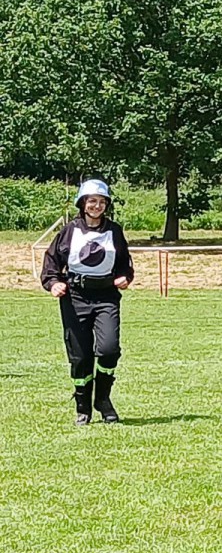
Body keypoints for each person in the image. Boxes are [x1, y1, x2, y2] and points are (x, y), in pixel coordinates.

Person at [41, 179, 135, 425]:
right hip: (75, 298)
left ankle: (102, 399)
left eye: (102, 201)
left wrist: (125, 277)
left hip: (106, 297)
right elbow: (52, 261)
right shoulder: (69, 231)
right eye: (92, 201)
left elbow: (124, 262)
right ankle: (83, 407)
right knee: (80, 356)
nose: (97, 206)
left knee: (109, 349)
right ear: (82, 203)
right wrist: (53, 283)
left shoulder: (114, 231)